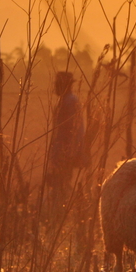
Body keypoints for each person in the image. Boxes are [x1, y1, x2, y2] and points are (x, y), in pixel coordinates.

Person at [46, 71, 86, 204]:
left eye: (57, 84)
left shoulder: (69, 102)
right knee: (60, 184)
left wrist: (69, 153)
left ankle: (61, 212)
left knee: (60, 185)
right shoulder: (67, 100)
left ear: (64, 85)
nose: (55, 87)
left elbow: (72, 130)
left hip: (65, 153)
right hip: (63, 152)